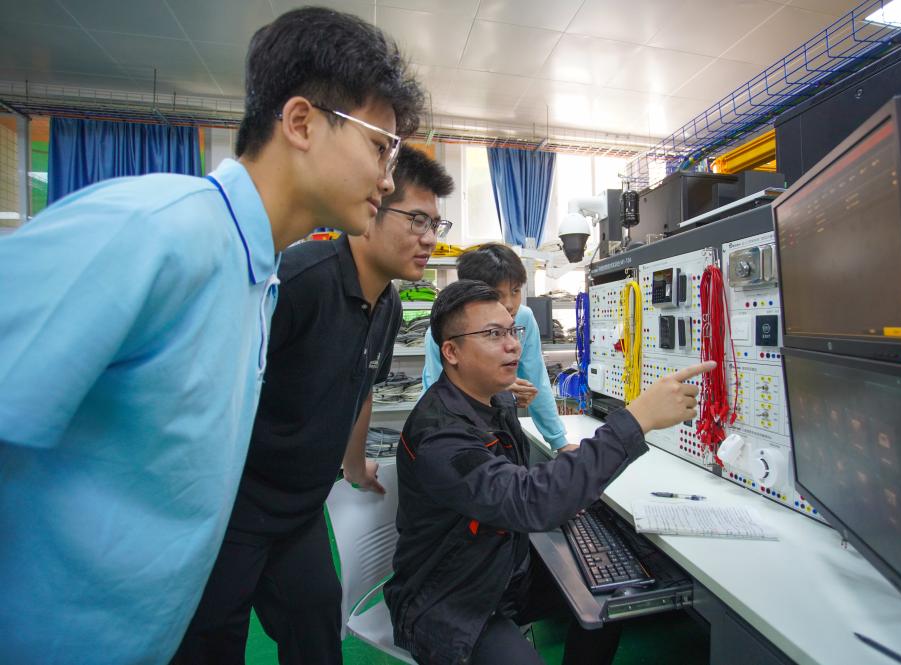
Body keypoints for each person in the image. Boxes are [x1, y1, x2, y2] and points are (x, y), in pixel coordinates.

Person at [0, 8, 423, 665]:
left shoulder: (257, 275)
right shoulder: (158, 231)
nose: (389, 177)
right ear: (302, 122)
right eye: (379, 146)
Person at [174, 145, 454, 664]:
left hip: (298, 509)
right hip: (232, 507)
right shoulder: (298, 281)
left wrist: (354, 465)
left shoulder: (389, 305)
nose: (430, 238)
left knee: (317, 626)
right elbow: (207, 388)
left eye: (436, 224)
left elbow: (361, 388)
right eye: (417, 220)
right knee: (210, 642)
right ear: (371, 208)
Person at [385, 279, 714, 665]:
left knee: (615, 594)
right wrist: (637, 419)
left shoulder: (491, 402)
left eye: (512, 331)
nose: (512, 345)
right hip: (448, 600)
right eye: (493, 334)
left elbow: (519, 485)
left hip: (499, 567)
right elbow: (529, 502)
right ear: (451, 351)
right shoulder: (440, 435)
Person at [422, 243, 576, 452]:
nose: (510, 304)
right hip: (448, 425)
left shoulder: (523, 318)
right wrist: (500, 388)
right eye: (497, 293)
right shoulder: (443, 330)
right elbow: (439, 392)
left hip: (497, 419)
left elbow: (537, 378)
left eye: (515, 291)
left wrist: (559, 442)